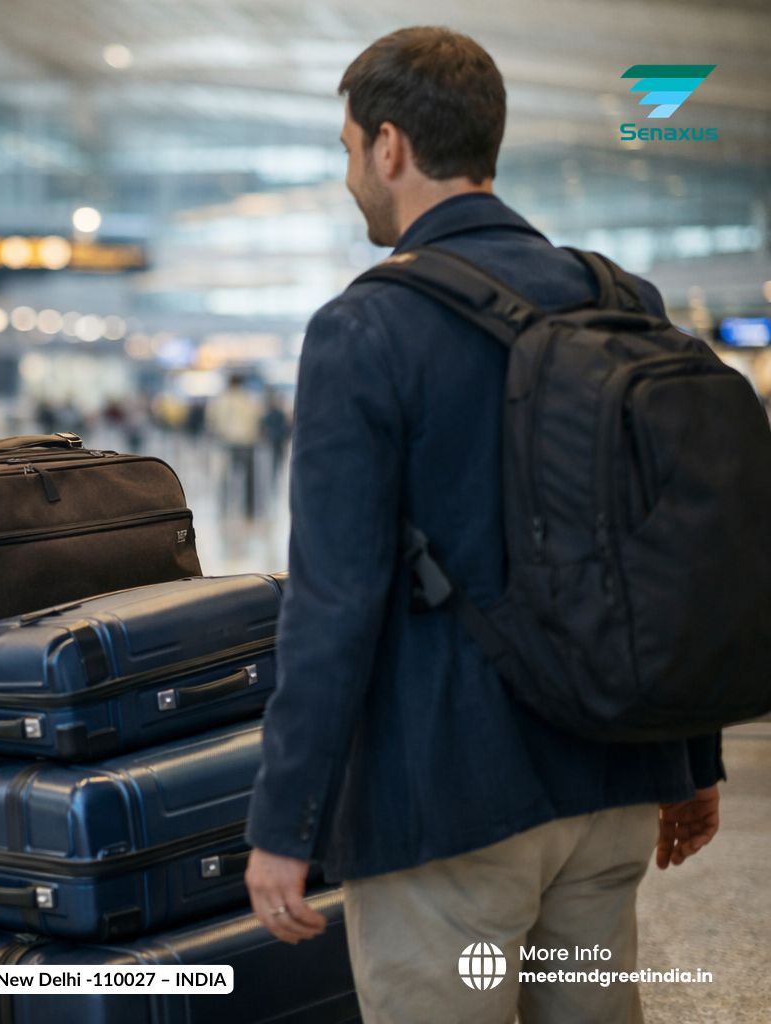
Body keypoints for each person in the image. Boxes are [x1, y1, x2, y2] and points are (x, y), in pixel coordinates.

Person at [241, 28, 723, 1024]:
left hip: (448, 805)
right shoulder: (621, 299)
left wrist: (286, 820)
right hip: (614, 778)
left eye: (345, 152)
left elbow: (335, 600)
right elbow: (676, 553)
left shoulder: (363, 328)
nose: (349, 178)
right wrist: (690, 759)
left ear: (388, 147)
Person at [205, 373, 263, 518]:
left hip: (225, 441)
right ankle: (249, 508)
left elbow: (211, 420)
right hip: (245, 442)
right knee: (248, 477)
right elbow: (255, 419)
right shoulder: (248, 399)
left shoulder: (220, 400)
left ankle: (223, 506)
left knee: (223, 476)